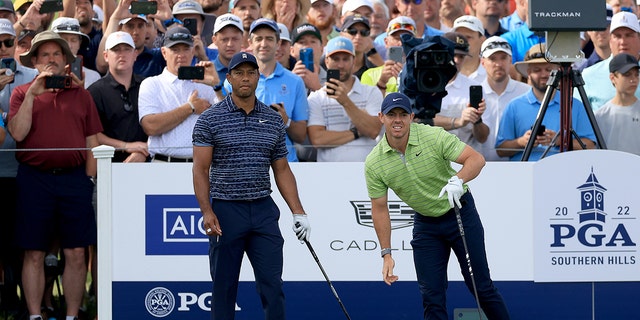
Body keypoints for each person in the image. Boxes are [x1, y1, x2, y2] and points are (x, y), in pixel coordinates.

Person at [364, 92, 511, 320]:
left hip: (460, 213)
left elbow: (476, 159)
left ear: (412, 117)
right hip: (426, 224)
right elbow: (379, 208)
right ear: (381, 117)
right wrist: (386, 253)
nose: (397, 120)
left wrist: (458, 179)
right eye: (391, 114)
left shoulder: (432, 136)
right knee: (431, 296)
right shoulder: (375, 162)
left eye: (403, 114)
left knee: (480, 287)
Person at [192, 51, 311, 320]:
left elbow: (282, 169)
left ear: (258, 76)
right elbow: (200, 169)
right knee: (223, 289)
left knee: (272, 285)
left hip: (263, 212)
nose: (245, 78)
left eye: (251, 72)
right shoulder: (210, 119)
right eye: (239, 73)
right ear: (229, 78)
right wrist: (206, 211)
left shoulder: (272, 120)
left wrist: (298, 212)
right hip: (225, 211)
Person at [8, 30, 103, 320]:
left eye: (57, 54)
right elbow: (17, 133)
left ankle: (72, 315)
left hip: (74, 180)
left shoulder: (81, 94)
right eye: (44, 54)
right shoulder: (21, 93)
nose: (51, 59)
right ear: (34, 61)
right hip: (34, 179)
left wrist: (88, 179)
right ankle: (36, 314)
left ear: (66, 61)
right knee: (34, 251)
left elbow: (92, 142)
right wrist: (33, 96)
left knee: (76, 252)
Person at [227, 18, 309, 162]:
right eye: (259, 39)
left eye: (269, 39)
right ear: (250, 43)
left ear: (278, 44)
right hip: (246, 164)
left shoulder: (295, 81)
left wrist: (286, 121)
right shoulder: (233, 80)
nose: (264, 44)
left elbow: (301, 136)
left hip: (285, 164)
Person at [496, 44, 596, 161]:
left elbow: (590, 146)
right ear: (528, 73)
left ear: (558, 71)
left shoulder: (575, 105)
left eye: (549, 70)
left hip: (564, 173)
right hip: (525, 174)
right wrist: (521, 142)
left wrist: (561, 141)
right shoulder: (514, 106)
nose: (544, 75)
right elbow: (500, 150)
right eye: (537, 70)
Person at [0, 18, 38, 317]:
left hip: (23, 172)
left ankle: (21, 303)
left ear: (18, 45)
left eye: (7, 42)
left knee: (20, 243)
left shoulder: (33, 76)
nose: (2, 48)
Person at [138, 26, 220, 161]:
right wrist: (190, 107)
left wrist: (217, 84)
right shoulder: (152, 84)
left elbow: (231, 118)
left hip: (202, 165)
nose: (181, 55)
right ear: (164, 53)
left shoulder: (206, 83)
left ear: (193, 51)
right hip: (163, 165)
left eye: (186, 49)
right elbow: (150, 126)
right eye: (175, 50)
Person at [307, 36, 383, 161]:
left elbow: (373, 130)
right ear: (326, 61)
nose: (340, 65)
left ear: (354, 61)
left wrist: (345, 102)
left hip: (365, 170)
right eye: (335, 59)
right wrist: (356, 132)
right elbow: (317, 139)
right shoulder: (316, 98)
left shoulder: (371, 92)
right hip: (330, 172)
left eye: (346, 59)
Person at [89, 31, 150, 163]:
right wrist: (126, 147)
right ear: (105, 56)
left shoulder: (148, 86)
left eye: (127, 49)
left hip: (147, 164)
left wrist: (143, 152)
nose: (122, 54)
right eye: (116, 50)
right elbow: (92, 134)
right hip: (108, 166)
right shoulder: (95, 91)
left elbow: (158, 126)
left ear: (135, 54)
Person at [434, 32, 488, 152]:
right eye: (453, 55)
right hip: (432, 160)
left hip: (464, 161)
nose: (457, 60)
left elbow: (483, 138)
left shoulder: (474, 87)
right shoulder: (424, 84)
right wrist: (458, 121)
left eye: (461, 56)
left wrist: (477, 120)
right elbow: (416, 121)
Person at [477, 36, 529, 161]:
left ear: (510, 60)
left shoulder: (526, 92)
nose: (498, 64)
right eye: (492, 59)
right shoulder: (473, 91)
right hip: (480, 168)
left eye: (503, 58)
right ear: (482, 62)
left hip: (517, 165)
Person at [581, 11, 640, 111]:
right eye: (617, 36)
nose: (623, 42)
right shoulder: (589, 75)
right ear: (610, 40)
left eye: (629, 35)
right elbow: (578, 120)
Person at [595, 53, 640, 155]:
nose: (633, 80)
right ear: (612, 78)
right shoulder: (599, 116)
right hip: (610, 169)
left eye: (636, 74)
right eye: (627, 74)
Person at [361, 15, 416, 95]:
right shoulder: (370, 75)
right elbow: (370, 106)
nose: (401, 43)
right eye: (397, 38)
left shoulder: (421, 74)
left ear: (415, 43)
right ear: (386, 42)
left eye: (407, 38)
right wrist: (382, 83)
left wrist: (405, 81)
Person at [50, 17, 101, 88]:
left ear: (79, 44)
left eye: (73, 40)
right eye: (64, 40)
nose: (69, 46)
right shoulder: (39, 74)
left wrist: (81, 92)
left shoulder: (93, 77)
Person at [211, 13, 245, 96]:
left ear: (243, 39)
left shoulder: (254, 72)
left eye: (235, 39)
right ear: (214, 40)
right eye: (224, 39)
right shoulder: (208, 73)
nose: (230, 44)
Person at [574, 4, 613, 72]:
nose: (601, 32)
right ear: (588, 30)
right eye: (597, 27)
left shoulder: (627, 63)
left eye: (606, 26)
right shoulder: (582, 72)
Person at [289, 23, 324, 91]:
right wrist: (290, 82)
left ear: (322, 49)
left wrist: (317, 87)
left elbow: (337, 101)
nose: (308, 46)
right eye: (302, 42)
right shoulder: (284, 80)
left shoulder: (333, 80)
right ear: (292, 51)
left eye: (313, 42)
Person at [452, 15, 485, 82]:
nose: (462, 41)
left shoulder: (491, 74)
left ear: (482, 40)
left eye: (468, 37)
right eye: (458, 37)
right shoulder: (443, 74)